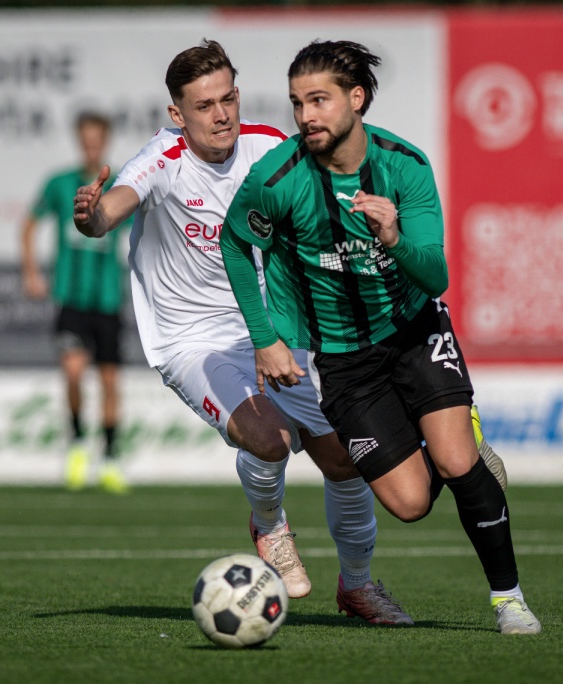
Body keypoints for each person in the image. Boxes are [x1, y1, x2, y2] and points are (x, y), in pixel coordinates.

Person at [72, 40, 413, 625]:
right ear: (177, 115)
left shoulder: (270, 148)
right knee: (271, 438)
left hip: (270, 328)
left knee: (345, 459)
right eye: (204, 105)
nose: (221, 114)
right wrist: (94, 216)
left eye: (228, 97)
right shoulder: (164, 158)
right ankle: (270, 525)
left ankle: (357, 585)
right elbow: (115, 206)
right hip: (191, 341)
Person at [221, 40, 541, 635]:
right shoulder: (279, 177)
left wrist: (394, 238)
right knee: (411, 505)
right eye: (297, 103)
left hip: (415, 330)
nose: (306, 116)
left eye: (319, 100)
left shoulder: (404, 166)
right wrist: (265, 337)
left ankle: (509, 601)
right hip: (341, 361)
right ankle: (458, 443)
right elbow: (235, 242)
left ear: (357, 99)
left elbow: (436, 275)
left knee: (454, 458)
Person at [21, 111, 130, 494]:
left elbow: (142, 230)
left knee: (110, 380)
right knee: (71, 371)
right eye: (85, 141)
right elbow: (30, 223)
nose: (91, 147)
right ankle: (78, 441)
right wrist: (32, 271)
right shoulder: (60, 183)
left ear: (105, 142)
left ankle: (112, 456)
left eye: (96, 140)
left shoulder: (120, 184)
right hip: (72, 299)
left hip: (108, 300)